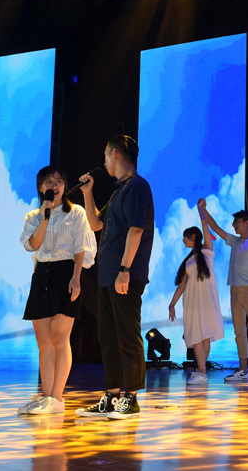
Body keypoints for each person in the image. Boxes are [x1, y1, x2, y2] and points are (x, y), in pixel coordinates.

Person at [74, 135, 155, 420]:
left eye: (106, 156)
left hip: (125, 275)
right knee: (107, 337)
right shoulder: (119, 190)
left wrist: (124, 270)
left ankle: (130, 398)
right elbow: (96, 223)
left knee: (127, 335)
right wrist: (87, 192)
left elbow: (136, 229)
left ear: (116, 154)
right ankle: (111, 396)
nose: (105, 162)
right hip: (108, 275)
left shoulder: (137, 186)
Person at [18, 166, 97, 415]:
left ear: (65, 185)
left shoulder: (76, 212)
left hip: (66, 273)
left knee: (59, 338)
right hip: (42, 274)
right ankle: (46, 396)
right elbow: (33, 244)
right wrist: (45, 216)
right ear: (41, 187)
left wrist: (76, 277)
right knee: (43, 342)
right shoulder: (34, 216)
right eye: (49, 182)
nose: (55, 185)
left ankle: (57, 397)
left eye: (59, 181)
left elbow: (80, 247)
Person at [201, 201, 248, 383]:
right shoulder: (234, 241)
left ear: (247, 222)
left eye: (237, 222)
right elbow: (215, 227)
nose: (234, 225)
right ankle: (243, 370)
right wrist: (203, 209)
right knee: (239, 331)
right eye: (234, 222)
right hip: (234, 290)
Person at [168, 199, 225, 385]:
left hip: (206, 300)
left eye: (185, 237)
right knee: (198, 337)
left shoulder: (207, 251)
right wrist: (172, 304)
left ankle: (202, 373)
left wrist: (201, 209)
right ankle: (202, 372)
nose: (183, 240)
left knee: (204, 336)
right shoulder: (189, 260)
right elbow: (182, 285)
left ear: (193, 236)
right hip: (192, 301)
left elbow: (204, 223)